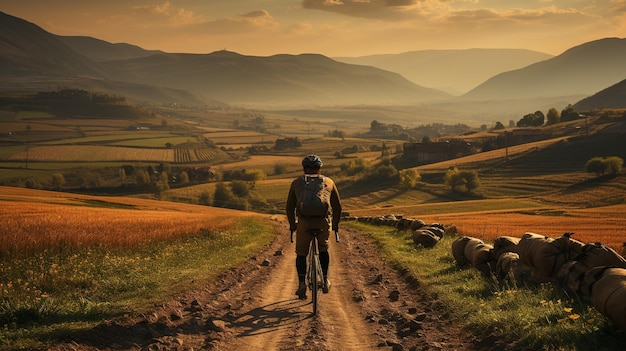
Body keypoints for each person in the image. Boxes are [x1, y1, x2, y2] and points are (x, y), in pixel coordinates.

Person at [286, 154, 342, 299]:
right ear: (319, 169)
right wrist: (335, 224)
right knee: (324, 249)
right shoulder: (329, 182)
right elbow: (337, 206)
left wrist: (293, 225)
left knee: (301, 253)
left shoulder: (297, 182)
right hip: (323, 222)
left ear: (304, 169)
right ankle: (324, 279)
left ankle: (301, 284)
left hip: (304, 222)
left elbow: (289, 207)